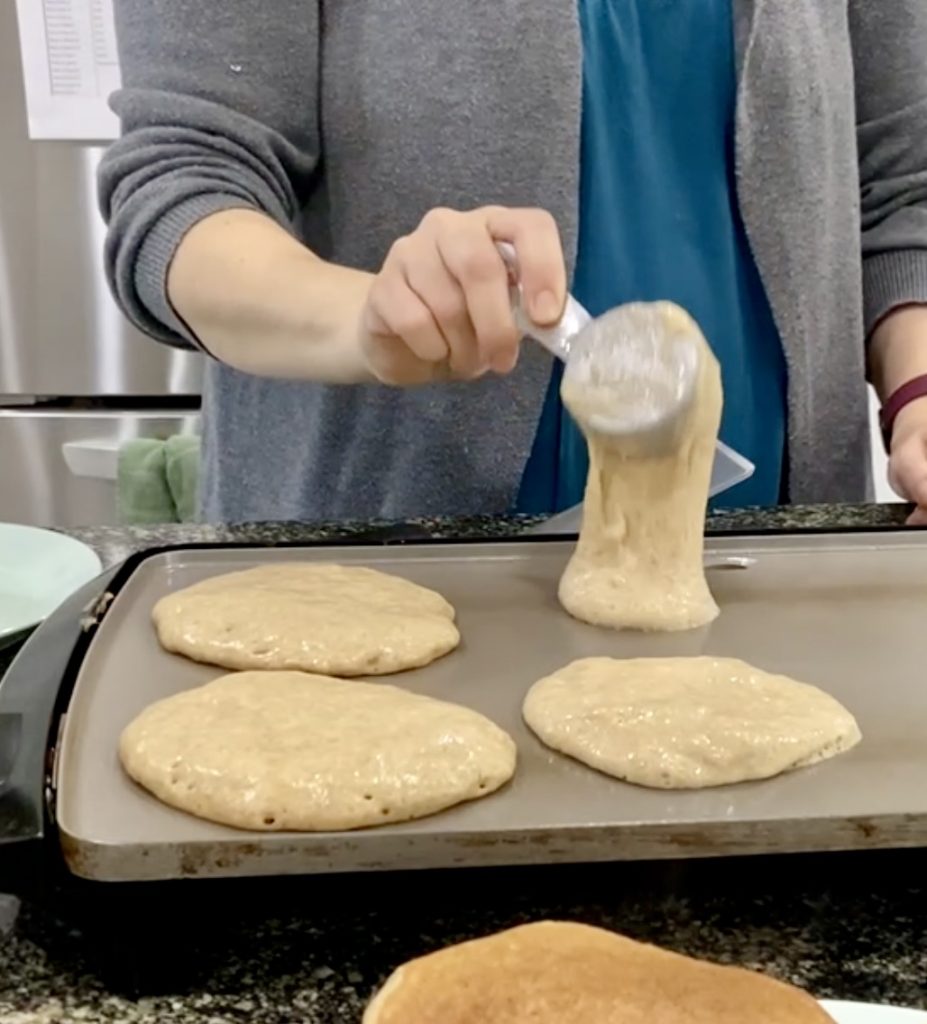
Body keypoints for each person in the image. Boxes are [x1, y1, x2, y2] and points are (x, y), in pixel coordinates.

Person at [99, 1, 927, 524]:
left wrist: (918, 394)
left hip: (780, 558)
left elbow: (902, 189)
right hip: (383, 554)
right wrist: (362, 317)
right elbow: (184, 187)